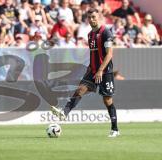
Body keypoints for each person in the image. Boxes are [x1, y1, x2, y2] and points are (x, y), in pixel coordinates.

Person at [51, 8, 120, 138]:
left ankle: (115, 128)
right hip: (93, 70)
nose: (91, 19)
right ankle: (64, 113)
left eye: (94, 17)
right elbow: (93, 54)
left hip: (105, 72)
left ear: (98, 16)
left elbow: (109, 54)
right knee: (80, 90)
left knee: (107, 100)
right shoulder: (90, 35)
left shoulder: (106, 33)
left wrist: (100, 70)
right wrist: (91, 68)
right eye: (89, 17)